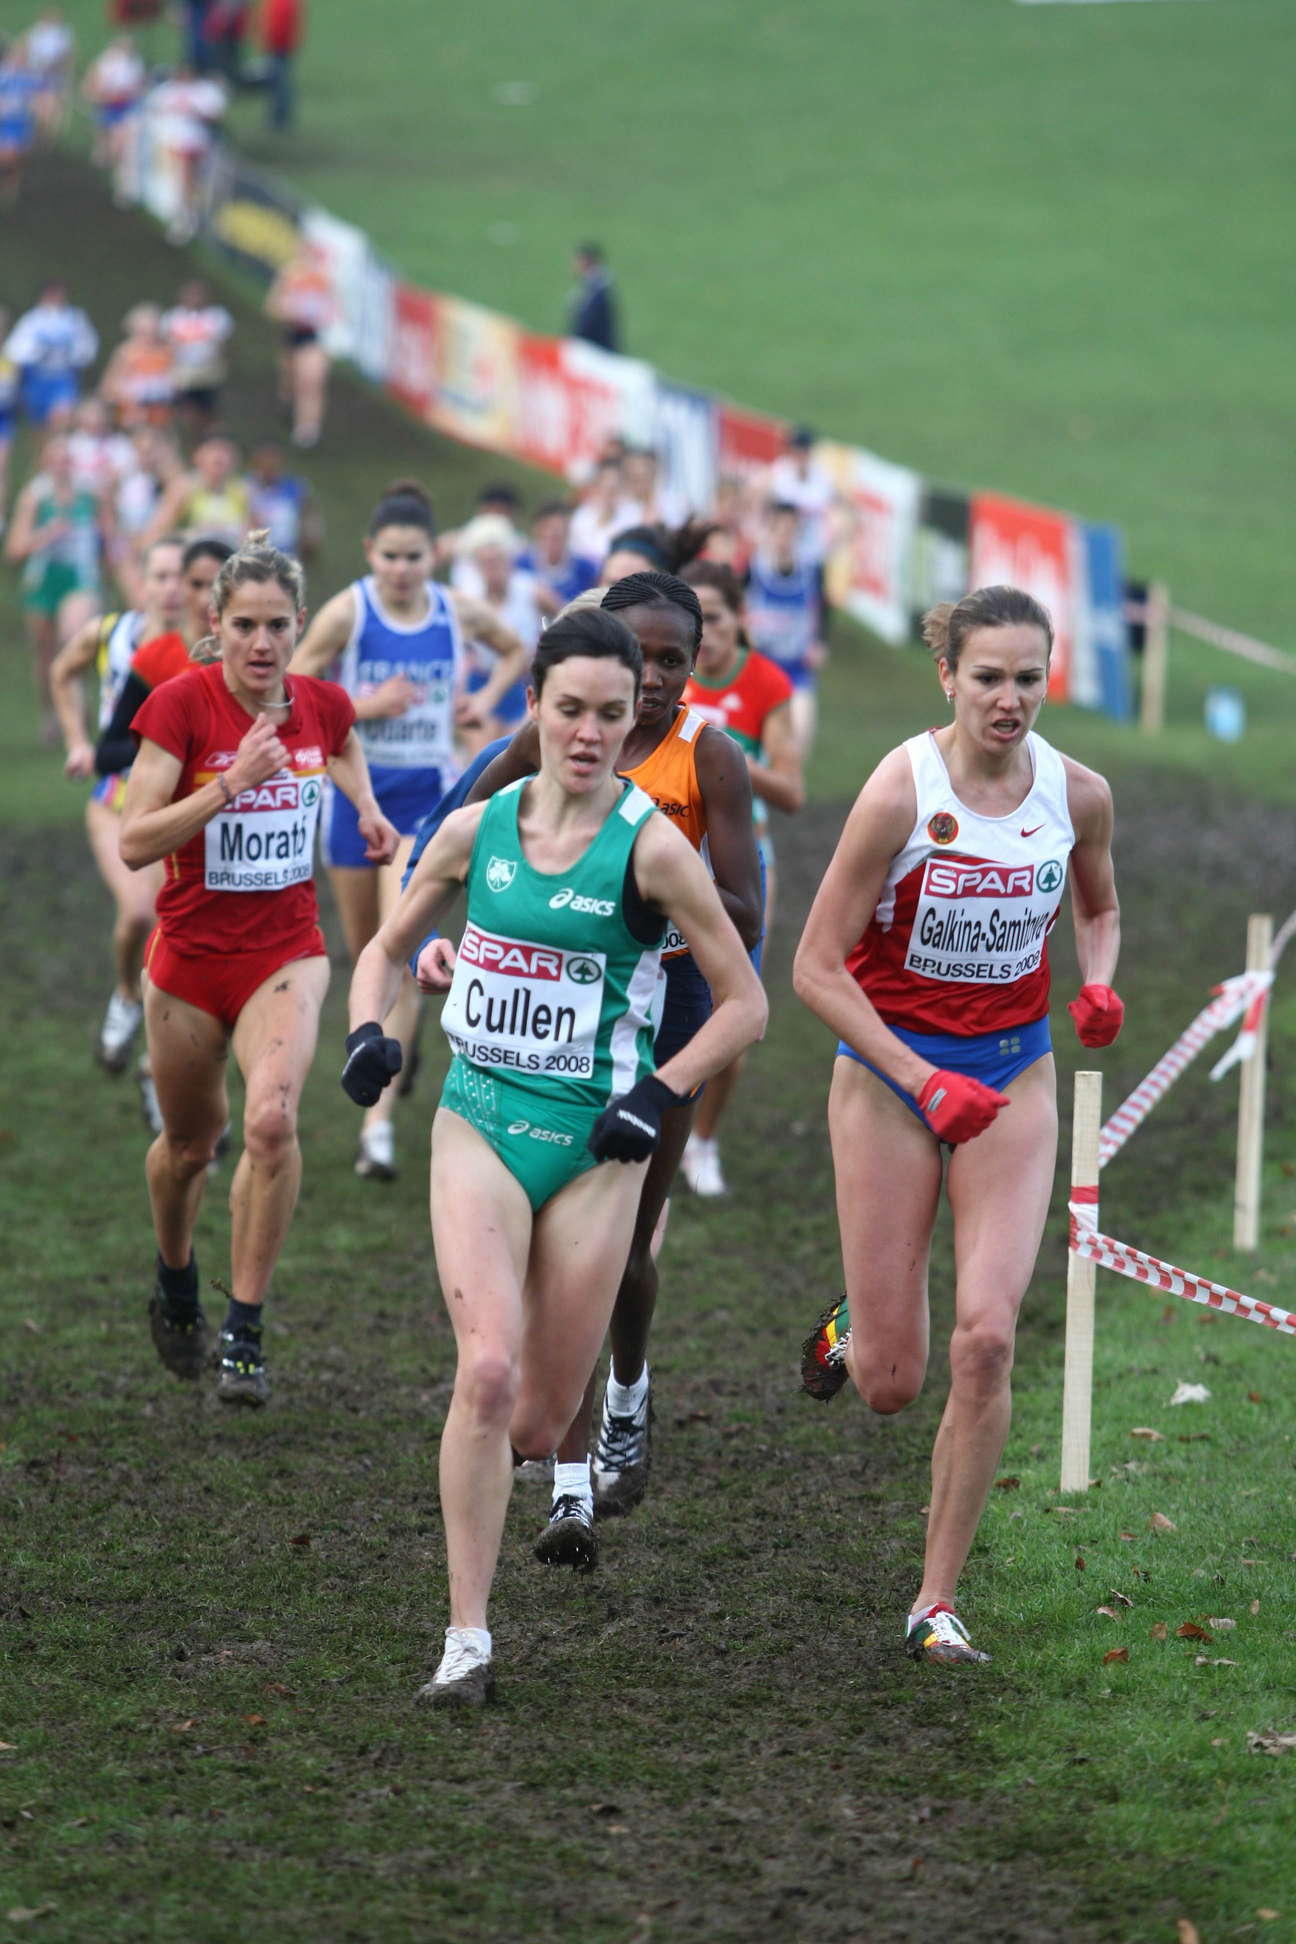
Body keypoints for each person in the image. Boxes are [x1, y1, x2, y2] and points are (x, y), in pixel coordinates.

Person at [343, 604, 767, 1705]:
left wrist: (658, 1094)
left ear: (633, 721)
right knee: (484, 1373)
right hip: (480, 1120)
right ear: (532, 706)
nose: (588, 732)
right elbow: (384, 948)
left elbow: (745, 1003)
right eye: (568, 709)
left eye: (610, 714)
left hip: (595, 1150)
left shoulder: (654, 846)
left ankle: (555, 1468)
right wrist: (370, 1033)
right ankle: (467, 1639)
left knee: (535, 1423)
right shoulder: (477, 828)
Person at [793, 585, 1123, 1668]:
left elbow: (1099, 904)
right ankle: (857, 1324)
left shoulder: (1078, 794)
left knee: (985, 1340)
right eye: (988, 677)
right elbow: (814, 967)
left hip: (1013, 1077)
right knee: (892, 1384)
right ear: (947, 676)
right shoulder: (901, 790)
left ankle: (934, 1602)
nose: (1008, 699)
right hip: (890, 1080)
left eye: (1028, 678)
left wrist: (1098, 983)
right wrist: (919, 1078)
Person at [453, 571, 763, 1562]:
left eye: (676, 660)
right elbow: (459, 834)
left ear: (695, 665)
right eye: (644, 656)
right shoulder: (552, 736)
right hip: (557, 1013)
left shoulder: (710, 756)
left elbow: (747, 913)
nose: (659, 677)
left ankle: (629, 1390)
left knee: (623, 1252)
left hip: (668, 1011)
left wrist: (642, 890)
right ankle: (572, 1487)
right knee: (550, 1255)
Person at [118, 532, 398, 1405]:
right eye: (245, 625)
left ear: (300, 623)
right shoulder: (181, 705)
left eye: (278, 625)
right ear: (218, 622)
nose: (263, 643)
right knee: (190, 1147)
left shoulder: (320, 703)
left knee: (272, 1123)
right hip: (189, 964)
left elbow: (341, 741)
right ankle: (175, 1276)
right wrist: (230, 784)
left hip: (285, 954)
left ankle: (244, 1327)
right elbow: (133, 841)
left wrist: (366, 806)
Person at [288, 481, 527, 1181]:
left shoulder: (454, 611)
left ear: (433, 555)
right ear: (370, 552)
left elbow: (516, 648)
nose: (401, 568)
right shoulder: (349, 611)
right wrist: (365, 705)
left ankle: (378, 1130)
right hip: (355, 800)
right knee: (366, 951)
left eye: (413, 556)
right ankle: (400, 1045)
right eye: (390, 555)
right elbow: (294, 690)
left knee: (400, 943)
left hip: (426, 803)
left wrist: (482, 700)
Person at [679, 560, 804, 1197]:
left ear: (740, 619)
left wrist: (723, 752)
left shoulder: (765, 682)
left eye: (717, 619)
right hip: (665, 855)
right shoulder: (662, 672)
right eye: (695, 622)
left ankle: (702, 1142)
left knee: (734, 1008)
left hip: (740, 862)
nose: (706, 635)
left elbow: (792, 791)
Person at [49, 533, 186, 1079]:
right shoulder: (111, 634)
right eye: (161, 576)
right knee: (138, 915)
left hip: (177, 811)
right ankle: (127, 996)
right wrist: (77, 741)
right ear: (141, 582)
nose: (172, 588)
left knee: (171, 935)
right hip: (115, 802)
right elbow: (62, 672)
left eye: (183, 578)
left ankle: (160, 1066)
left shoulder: (207, 647)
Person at [4, 433, 112, 744]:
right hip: (43, 580)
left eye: (67, 459)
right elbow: (14, 550)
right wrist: (44, 536)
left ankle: (79, 709)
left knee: (72, 638)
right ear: (45, 463)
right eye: (56, 459)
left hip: (80, 578)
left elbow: (108, 536)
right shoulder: (35, 497)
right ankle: (51, 712)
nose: (62, 465)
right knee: (46, 655)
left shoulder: (89, 495)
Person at [95, 536, 233, 777]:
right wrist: (170, 740)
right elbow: (107, 755)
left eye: (216, 586)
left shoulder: (255, 654)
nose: (205, 599)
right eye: (196, 585)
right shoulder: (154, 657)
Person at [745, 500, 827, 758]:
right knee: (754, 747)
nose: (784, 537)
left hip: (796, 670)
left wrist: (820, 642)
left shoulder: (811, 571)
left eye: (790, 531)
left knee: (798, 741)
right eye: (778, 530)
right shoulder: (753, 569)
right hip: (760, 667)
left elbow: (823, 608)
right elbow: (735, 610)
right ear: (769, 531)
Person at [264, 242, 332, 447]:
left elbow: (335, 309)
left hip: (311, 337)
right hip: (289, 335)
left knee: (310, 383)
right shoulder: (289, 275)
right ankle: (287, 403)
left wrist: (323, 317)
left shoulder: (324, 280)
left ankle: (307, 429)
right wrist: (289, 311)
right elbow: (271, 306)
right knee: (290, 382)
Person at [4, 283, 98, 425]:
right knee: (40, 423)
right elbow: (14, 350)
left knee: (62, 418)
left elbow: (87, 347)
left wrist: (74, 356)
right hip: (37, 379)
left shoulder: (75, 318)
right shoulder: (32, 319)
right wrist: (36, 352)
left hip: (64, 378)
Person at [144, 433, 252, 547]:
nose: (220, 457)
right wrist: (193, 534)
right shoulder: (184, 489)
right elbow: (155, 533)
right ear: (199, 458)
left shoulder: (241, 491)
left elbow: (253, 533)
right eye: (215, 460)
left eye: (226, 454)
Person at [159, 280, 233, 433]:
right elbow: (165, 346)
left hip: (209, 372)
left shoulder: (217, 316)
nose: (194, 298)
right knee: (185, 411)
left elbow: (223, 346)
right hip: (181, 372)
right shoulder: (172, 317)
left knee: (209, 412)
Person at [98, 303, 174, 431]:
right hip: (132, 419)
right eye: (144, 332)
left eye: (153, 331)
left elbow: (176, 380)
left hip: (161, 419)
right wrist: (131, 392)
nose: (149, 336)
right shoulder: (125, 352)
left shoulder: (166, 351)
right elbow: (107, 389)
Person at [517, 500, 598, 609]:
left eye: (561, 529)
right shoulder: (521, 566)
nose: (555, 533)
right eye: (548, 528)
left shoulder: (585, 569)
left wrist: (555, 605)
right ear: (537, 530)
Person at [81, 32, 146, 168]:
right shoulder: (105, 61)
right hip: (107, 104)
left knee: (119, 141)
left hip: (124, 105)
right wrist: (97, 96)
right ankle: (101, 166)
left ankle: (114, 164)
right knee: (103, 141)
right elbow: (93, 82)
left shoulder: (135, 63)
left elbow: (139, 86)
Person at [247, 442, 319, 559]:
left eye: (273, 461)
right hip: (253, 553)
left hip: (286, 553)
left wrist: (310, 539)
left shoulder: (295, 487)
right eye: (265, 461)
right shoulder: (245, 487)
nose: (269, 466)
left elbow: (309, 516)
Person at [566, 242, 619, 353]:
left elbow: (588, 324)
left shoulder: (597, 290)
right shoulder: (593, 286)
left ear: (586, 262)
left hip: (598, 352)